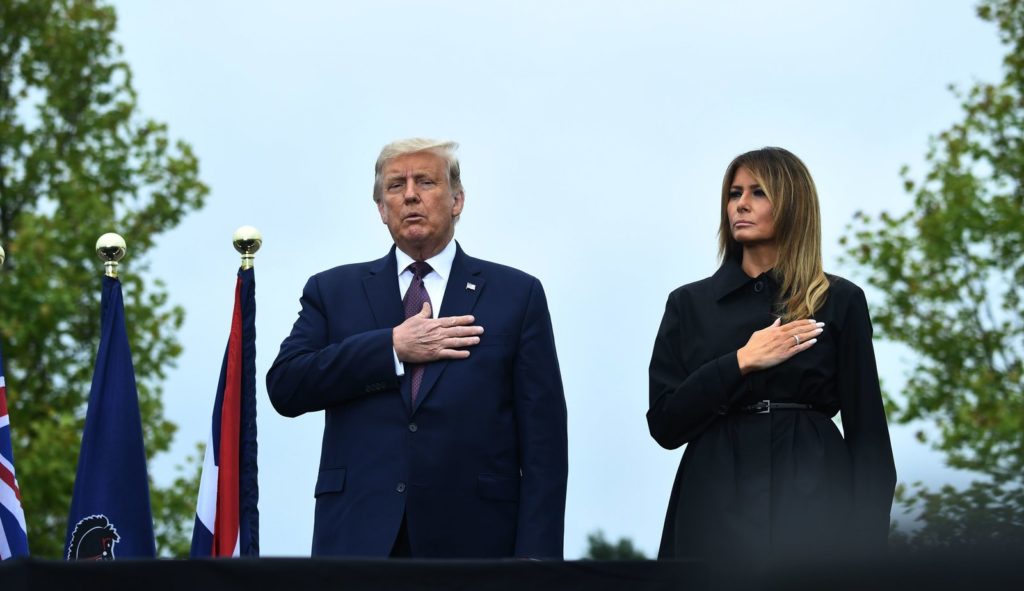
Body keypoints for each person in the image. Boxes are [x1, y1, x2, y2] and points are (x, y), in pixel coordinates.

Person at [267, 138, 568, 559]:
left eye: (425, 181)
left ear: (457, 200)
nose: (410, 194)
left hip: (477, 547)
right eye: (395, 186)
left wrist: (538, 561)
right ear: (380, 209)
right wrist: (390, 347)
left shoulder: (516, 295)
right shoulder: (332, 291)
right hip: (358, 543)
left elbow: (545, 445)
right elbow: (286, 385)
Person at [647, 147, 896, 564]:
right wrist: (740, 361)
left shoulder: (840, 300)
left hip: (817, 498)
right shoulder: (689, 304)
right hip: (713, 501)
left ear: (793, 204)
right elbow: (665, 425)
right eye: (734, 193)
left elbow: (868, 435)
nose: (740, 204)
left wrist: (868, 546)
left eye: (758, 192)